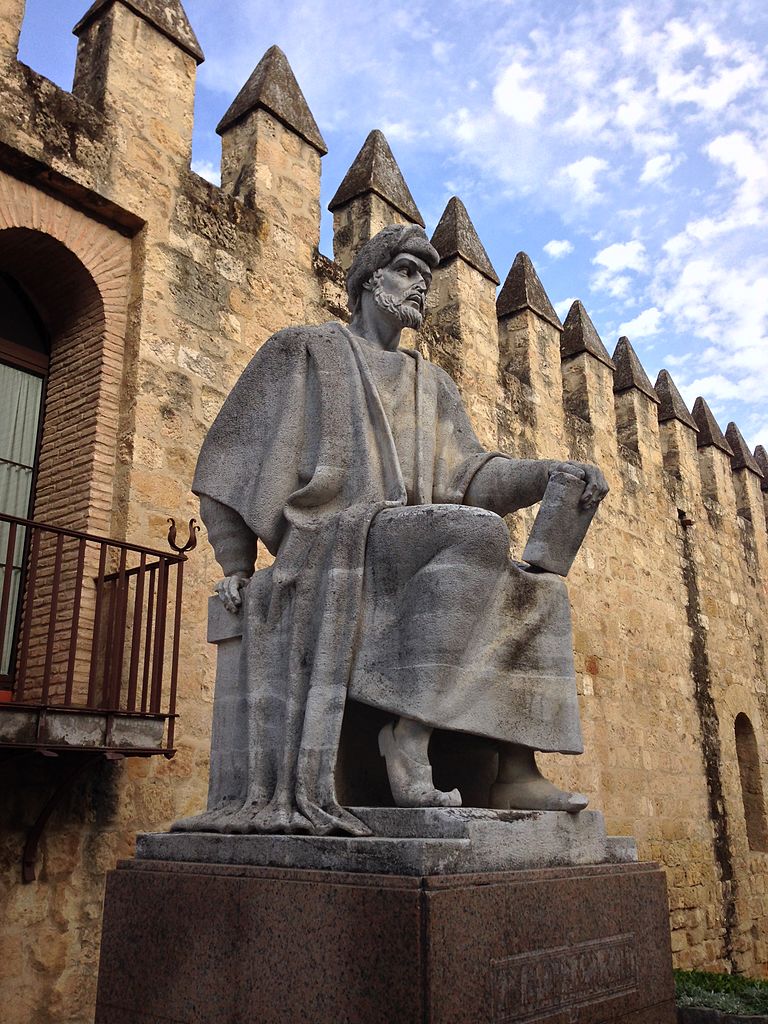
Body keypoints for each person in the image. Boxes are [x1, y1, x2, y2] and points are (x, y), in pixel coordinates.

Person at [186, 224, 608, 837]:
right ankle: (407, 735)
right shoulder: (305, 351)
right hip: (336, 537)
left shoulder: (432, 384)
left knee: (538, 587)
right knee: (479, 535)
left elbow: (471, 475)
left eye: (427, 279)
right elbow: (227, 458)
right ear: (367, 279)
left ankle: (516, 765)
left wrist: (547, 475)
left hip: (414, 540)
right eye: (408, 271)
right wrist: (235, 568)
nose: (420, 288)